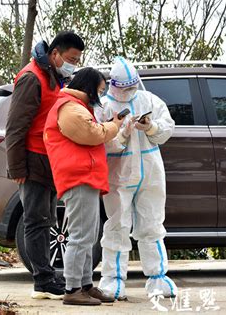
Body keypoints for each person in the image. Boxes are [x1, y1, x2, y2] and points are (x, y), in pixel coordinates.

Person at [5, 31, 84, 300]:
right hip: (32, 159)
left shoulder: (56, 77)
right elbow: (15, 127)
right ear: (55, 54)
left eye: (78, 60)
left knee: (47, 219)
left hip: (50, 160)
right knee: (36, 220)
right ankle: (42, 280)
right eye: (71, 58)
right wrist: (17, 169)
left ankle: (46, 275)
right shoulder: (31, 78)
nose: (74, 64)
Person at [95, 56, 178, 300]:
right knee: (117, 226)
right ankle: (112, 280)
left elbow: (167, 128)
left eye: (132, 86)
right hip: (119, 175)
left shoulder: (148, 99)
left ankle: (158, 278)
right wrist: (121, 136)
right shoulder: (103, 107)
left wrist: (150, 127)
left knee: (152, 224)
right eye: (125, 88)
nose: (129, 92)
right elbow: (99, 141)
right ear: (114, 85)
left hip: (150, 173)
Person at [44, 67, 124, 305]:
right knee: (80, 236)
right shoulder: (69, 108)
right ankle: (72, 289)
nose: (100, 95)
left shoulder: (76, 107)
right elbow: (91, 133)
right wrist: (115, 126)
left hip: (86, 177)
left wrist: (109, 126)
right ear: (88, 87)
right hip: (77, 177)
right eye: (99, 90)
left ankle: (86, 285)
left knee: (88, 235)